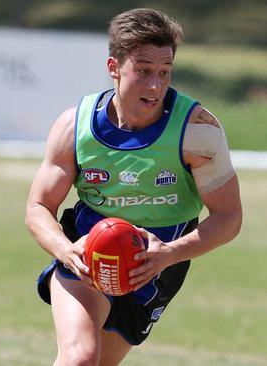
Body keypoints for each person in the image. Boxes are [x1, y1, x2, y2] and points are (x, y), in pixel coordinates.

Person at [26, 8, 242, 366]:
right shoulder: (74, 127)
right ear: (114, 67)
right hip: (88, 251)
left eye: (164, 73)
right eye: (143, 71)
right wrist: (67, 252)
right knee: (80, 357)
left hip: (157, 263)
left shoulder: (198, 132)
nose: (156, 86)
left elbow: (229, 217)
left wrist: (169, 254)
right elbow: (38, 207)